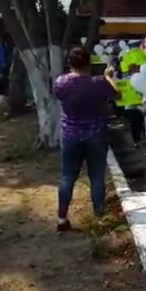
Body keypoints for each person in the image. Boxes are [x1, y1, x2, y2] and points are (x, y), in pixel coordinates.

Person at [53, 47, 120, 232]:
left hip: (70, 134)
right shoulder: (98, 82)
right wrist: (108, 77)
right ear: (89, 62)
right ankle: (100, 218)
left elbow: (59, 97)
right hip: (96, 134)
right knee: (96, 177)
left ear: (70, 63)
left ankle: (61, 217)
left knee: (67, 176)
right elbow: (116, 95)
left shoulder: (61, 82)